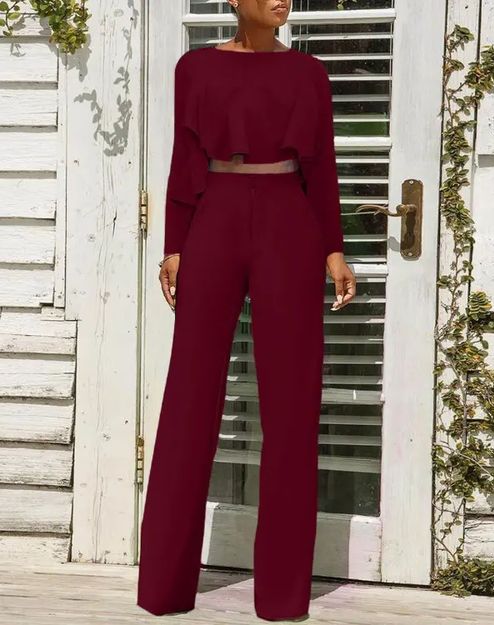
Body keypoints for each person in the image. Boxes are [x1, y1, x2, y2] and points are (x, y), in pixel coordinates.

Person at [137, 0, 356, 621]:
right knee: (190, 395)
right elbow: (184, 156)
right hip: (216, 216)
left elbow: (322, 166)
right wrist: (175, 245)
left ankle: (282, 598)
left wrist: (334, 249)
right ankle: (164, 587)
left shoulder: (309, 73)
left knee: (292, 404)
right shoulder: (195, 67)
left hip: (289, 219)